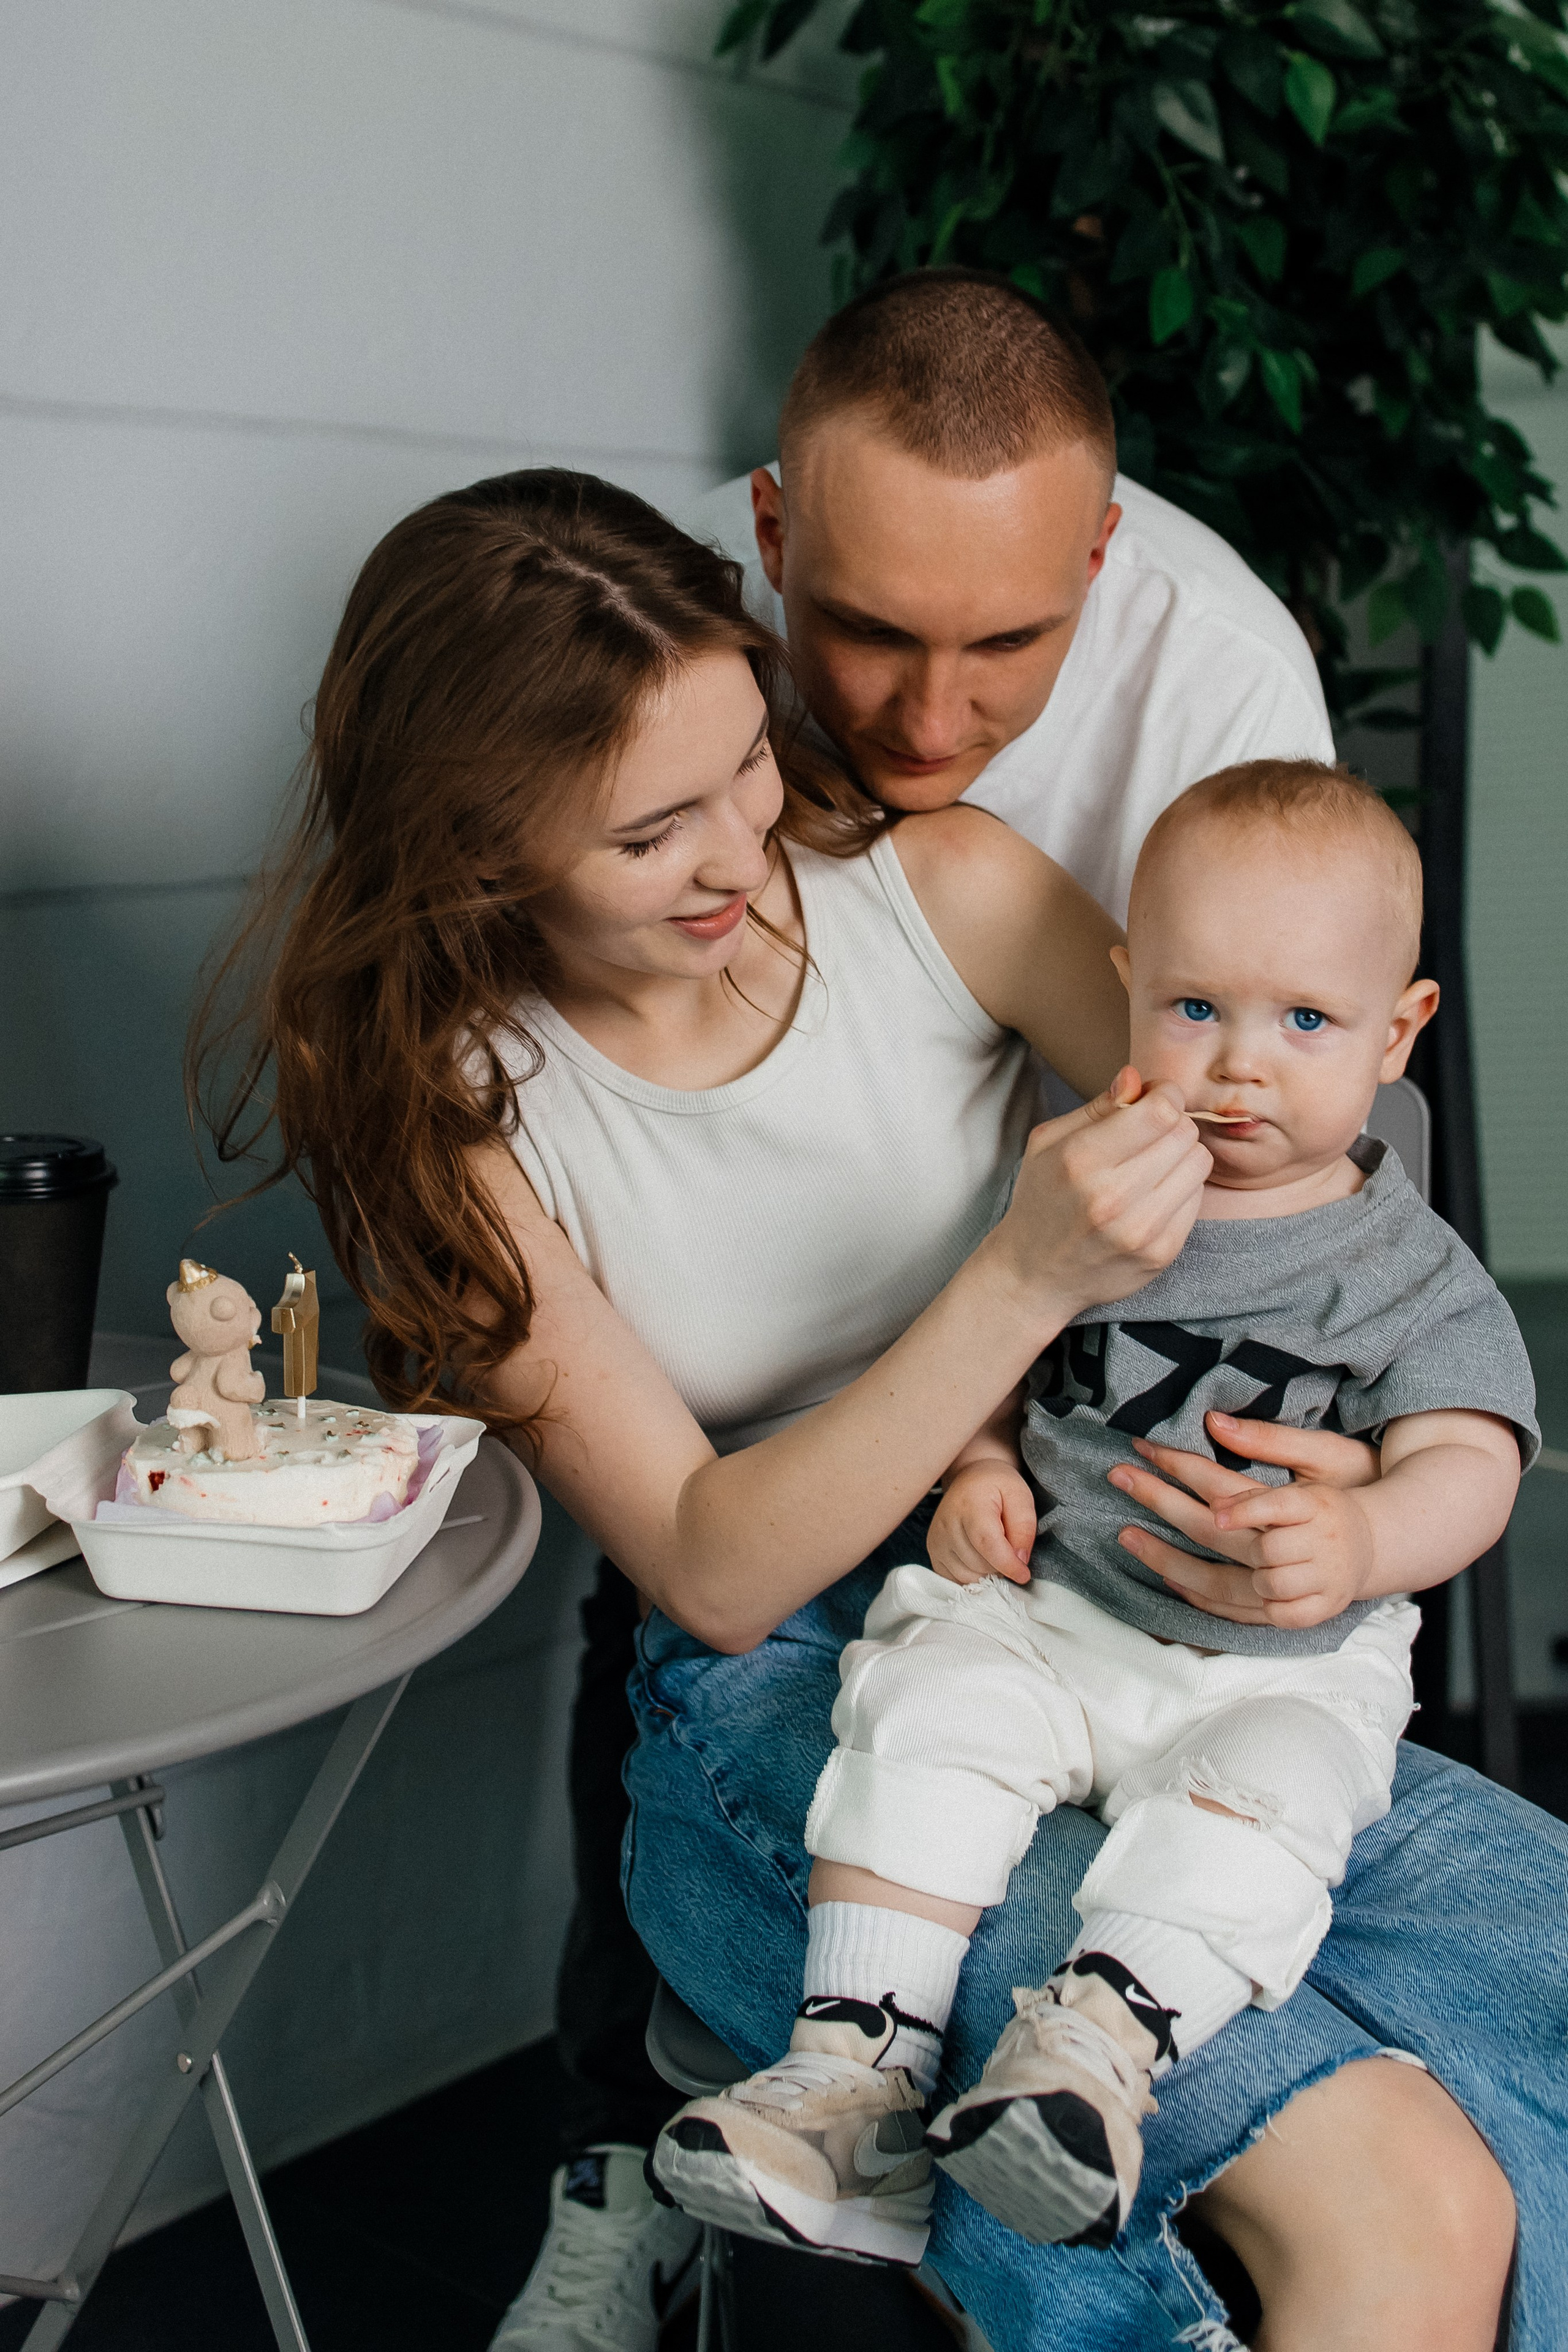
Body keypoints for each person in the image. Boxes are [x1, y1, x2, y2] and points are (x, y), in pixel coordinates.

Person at [197, 467, 1558, 2352]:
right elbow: (707, 1564)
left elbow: (1318, 1157)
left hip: (1159, 1600)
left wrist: (1368, 1463)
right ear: (478, 852)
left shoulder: (946, 891)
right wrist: (1020, 1283)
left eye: (748, 762)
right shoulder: (452, 1110)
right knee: (1390, 2193)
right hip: (809, 1662)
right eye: (649, 831)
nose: (741, 854)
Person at [537, 270, 1352, 2339]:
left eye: (1008, 648)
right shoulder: (670, 666)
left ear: (1102, 557)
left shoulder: (1218, 677)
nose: (918, 719)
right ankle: (615, 2152)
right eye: (867, 635)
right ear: (773, 537)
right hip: (771, 1412)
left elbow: (1289, 1136)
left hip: (1105, 1358)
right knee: (680, 1654)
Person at [650, 759, 1537, 2271]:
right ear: (1124, 985)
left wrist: (1373, 1540)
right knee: (923, 1706)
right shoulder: (1088, 1180)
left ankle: (1093, 2065)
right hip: (1053, 1610)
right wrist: (983, 1466)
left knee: (1257, 1818)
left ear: (1398, 1033)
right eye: (1194, 1009)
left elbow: (1473, 1451)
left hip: (1274, 1662)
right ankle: (850, 2078)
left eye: (1306, 1023)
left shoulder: (1400, 1263)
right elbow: (992, 1346)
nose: (1238, 1068)